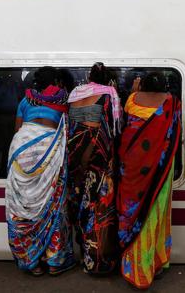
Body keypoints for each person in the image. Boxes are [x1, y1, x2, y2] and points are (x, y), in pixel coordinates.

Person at [5, 66, 75, 276]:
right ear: (56, 81)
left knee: (23, 203)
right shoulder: (62, 99)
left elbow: (18, 129)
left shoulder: (25, 101)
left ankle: (31, 262)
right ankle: (54, 261)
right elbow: (67, 127)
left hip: (21, 146)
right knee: (53, 202)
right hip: (49, 146)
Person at [117, 72, 182, 289]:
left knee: (134, 211)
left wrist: (135, 90)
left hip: (133, 165)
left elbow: (128, 119)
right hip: (160, 169)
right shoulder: (172, 103)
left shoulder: (132, 100)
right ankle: (156, 262)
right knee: (156, 213)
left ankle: (135, 267)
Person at [67, 62, 122, 274]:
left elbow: (70, 124)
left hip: (74, 150)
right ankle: (97, 261)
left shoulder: (75, 94)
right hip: (96, 152)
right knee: (97, 205)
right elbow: (113, 127)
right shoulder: (108, 94)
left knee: (78, 200)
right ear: (108, 79)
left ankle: (82, 251)